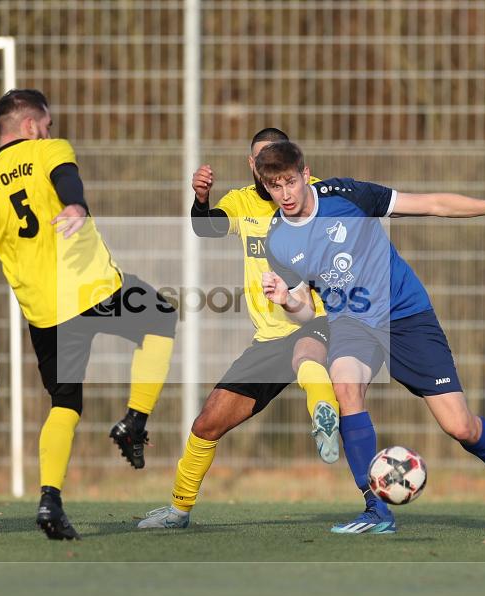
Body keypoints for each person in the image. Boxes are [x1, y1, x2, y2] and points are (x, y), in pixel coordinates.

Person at [0, 89, 177, 541]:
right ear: (33, 126)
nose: (51, 131)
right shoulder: (49, 150)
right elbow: (65, 178)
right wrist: (75, 204)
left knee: (65, 404)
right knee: (161, 319)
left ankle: (49, 499)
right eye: (48, 124)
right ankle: (134, 420)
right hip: (93, 288)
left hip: (46, 313)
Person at [258, 141, 485, 534]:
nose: (285, 194)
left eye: (290, 182)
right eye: (274, 186)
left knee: (460, 426)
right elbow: (307, 310)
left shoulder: (349, 197)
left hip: (405, 315)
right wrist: (286, 302)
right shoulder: (278, 241)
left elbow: (431, 204)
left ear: (306, 174)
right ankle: (376, 510)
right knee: (345, 387)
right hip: (351, 323)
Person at [137, 128, 340, 530]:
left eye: (277, 161)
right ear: (252, 166)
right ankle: (178, 510)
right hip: (269, 340)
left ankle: (328, 421)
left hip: (319, 321)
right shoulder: (242, 202)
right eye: (261, 161)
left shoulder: (317, 194)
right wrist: (200, 200)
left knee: (315, 366)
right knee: (206, 423)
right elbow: (206, 228)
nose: (270, 170)